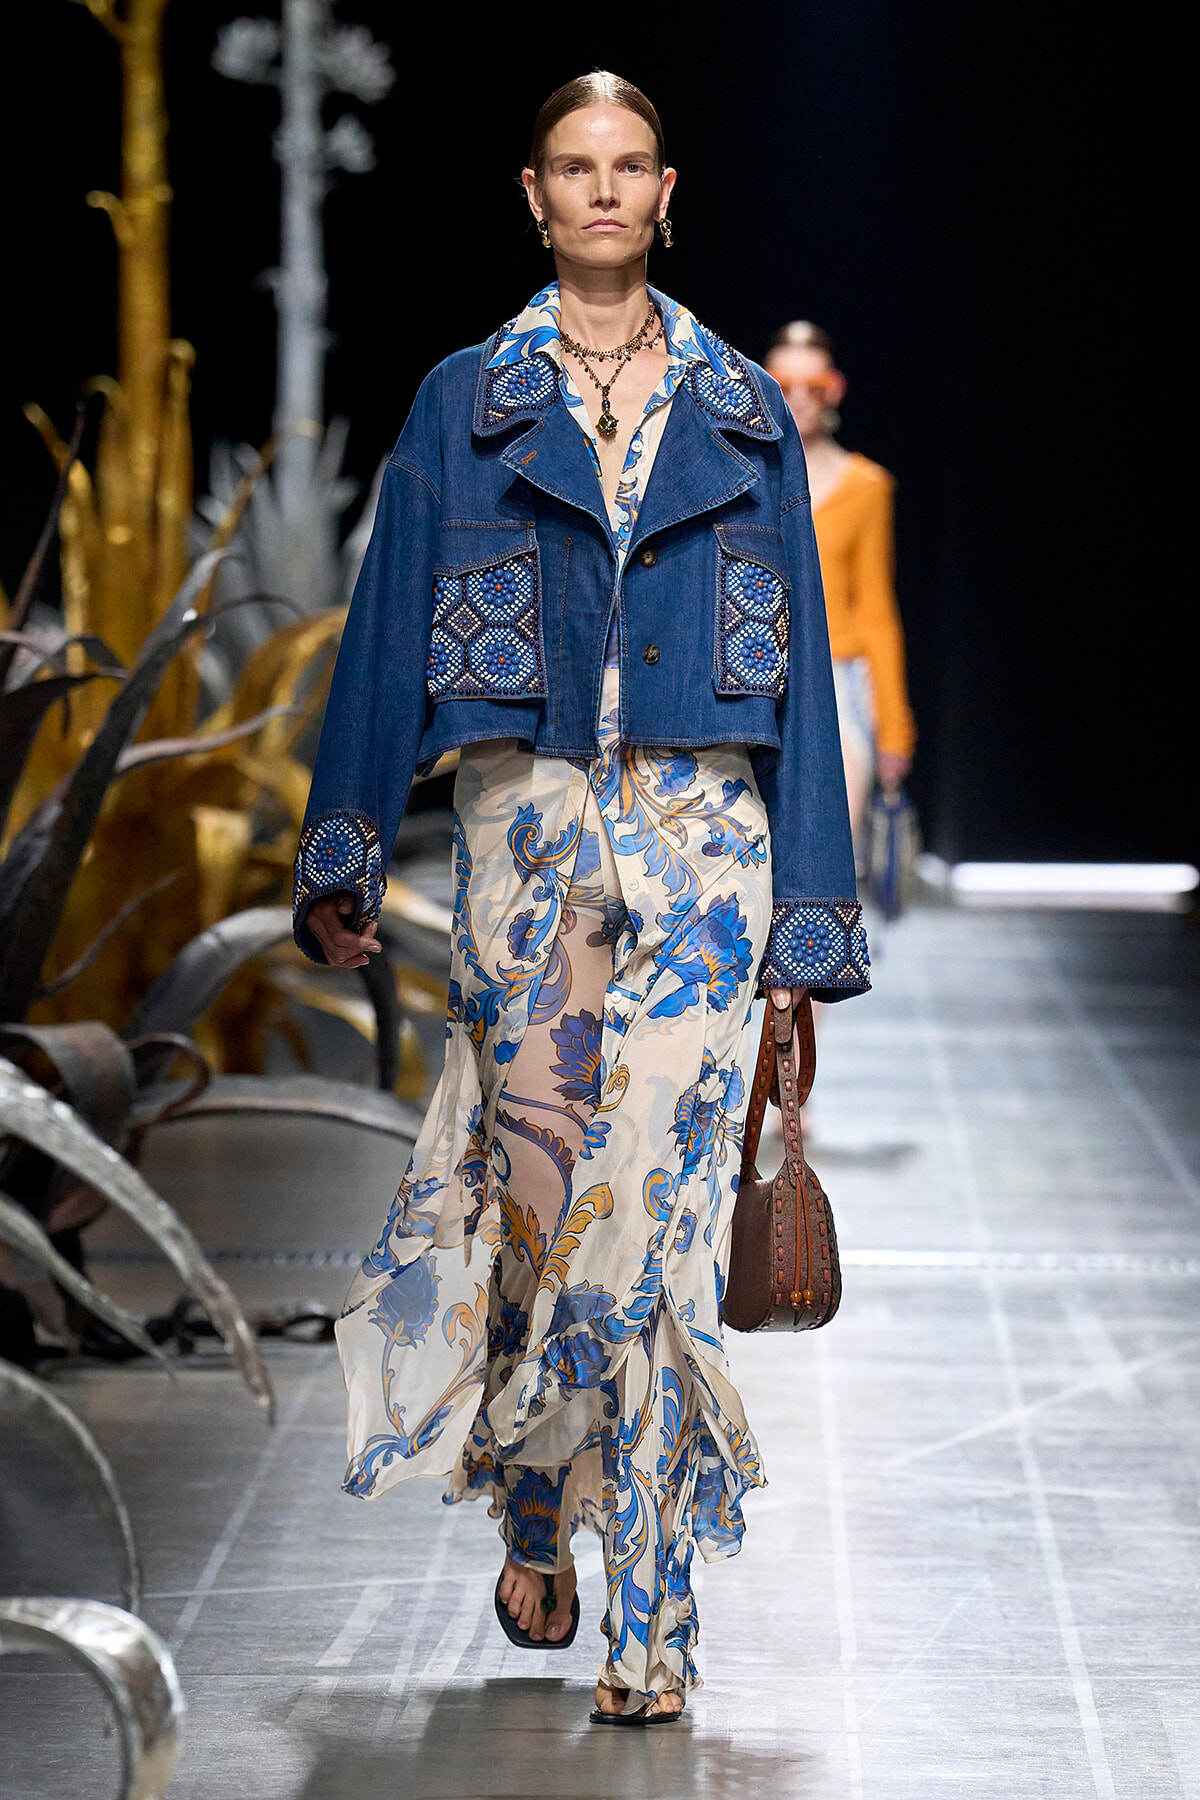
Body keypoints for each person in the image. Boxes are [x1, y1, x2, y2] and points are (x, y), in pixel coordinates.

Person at [292, 72, 869, 1726]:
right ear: (534, 195)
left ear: (666, 193)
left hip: (702, 845)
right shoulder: (464, 402)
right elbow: (384, 628)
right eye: (573, 167)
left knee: (659, 1228)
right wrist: (344, 843)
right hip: (525, 837)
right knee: (541, 1207)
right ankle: (540, 1486)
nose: (603, 190)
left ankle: (656, 1615)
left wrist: (808, 915)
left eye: (629, 167)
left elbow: (805, 675)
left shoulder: (743, 411)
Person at [765, 322, 916, 838]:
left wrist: (894, 730)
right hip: (750, 672)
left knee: (835, 845)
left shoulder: (866, 486)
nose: (798, 399)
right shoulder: (742, 478)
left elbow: (875, 612)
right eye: (783, 385)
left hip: (837, 677)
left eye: (814, 387)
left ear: (835, 389)